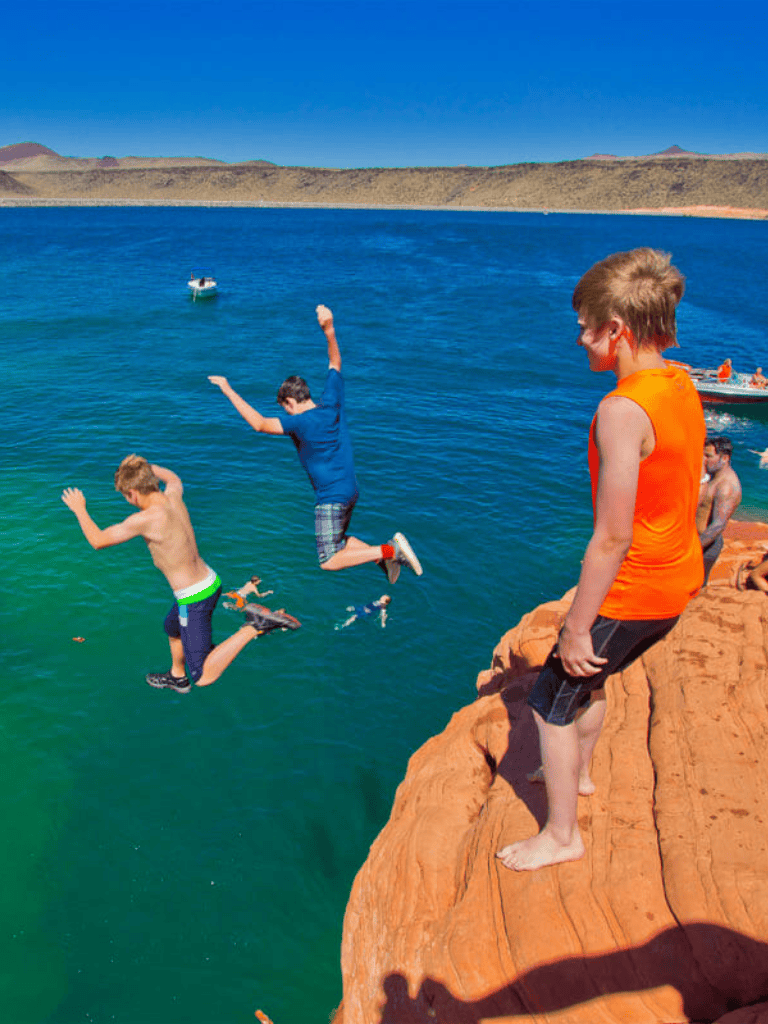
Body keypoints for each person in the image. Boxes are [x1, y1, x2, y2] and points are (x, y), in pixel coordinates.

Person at [496, 248, 705, 873]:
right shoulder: (679, 381)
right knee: (597, 680)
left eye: (588, 326)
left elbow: (612, 535)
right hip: (678, 581)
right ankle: (578, 776)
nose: (580, 338)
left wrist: (579, 624)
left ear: (617, 330)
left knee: (550, 703)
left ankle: (562, 835)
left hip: (633, 589)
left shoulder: (621, 410)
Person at [208, 305, 423, 583]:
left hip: (331, 498)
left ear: (290, 402)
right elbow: (335, 364)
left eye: (286, 409)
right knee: (340, 542)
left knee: (329, 560)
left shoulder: (299, 422)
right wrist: (329, 330)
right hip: (350, 489)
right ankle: (385, 558)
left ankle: (389, 550)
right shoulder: (331, 404)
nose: (287, 415)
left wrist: (227, 388)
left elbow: (259, 424)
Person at [61, 455, 300, 693]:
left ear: (132, 493)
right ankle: (177, 677)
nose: (127, 500)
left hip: (193, 597)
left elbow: (98, 541)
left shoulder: (144, 519)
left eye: (125, 496)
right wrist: (143, 467)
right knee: (171, 627)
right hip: (209, 581)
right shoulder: (173, 495)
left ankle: (255, 626)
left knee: (203, 675)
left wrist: (79, 509)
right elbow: (174, 478)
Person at [697, 436, 742, 584]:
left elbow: (718, 524)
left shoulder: (727, 486)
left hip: (705, 546)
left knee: (694, 587)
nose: (703, 459)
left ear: (725, 458)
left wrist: (694, 549)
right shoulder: (713, 476)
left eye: (708, 456)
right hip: (697, 541)